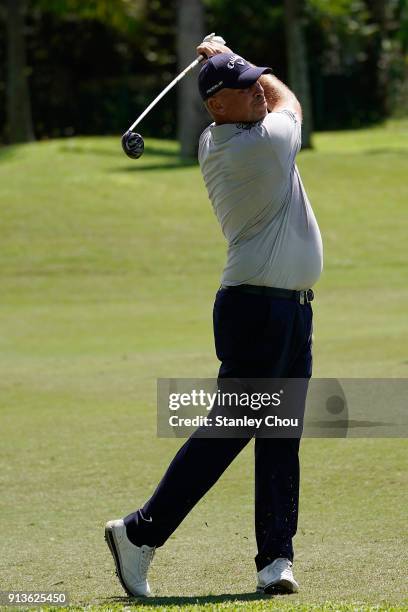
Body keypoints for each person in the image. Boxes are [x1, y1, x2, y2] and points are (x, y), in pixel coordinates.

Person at [105, 39, 323, 598]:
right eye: (242, 84)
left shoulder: (217, 138)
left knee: (280, 435)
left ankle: (275, 559)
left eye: (256, 80)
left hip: (289, 311)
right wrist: (227, 50)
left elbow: (264, 95)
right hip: (257, 309)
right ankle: (139, 532)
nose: (256, 88)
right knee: (231, 430)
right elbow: (289, 101)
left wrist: (227, 64)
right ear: (215, 105)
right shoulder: (261, 146)